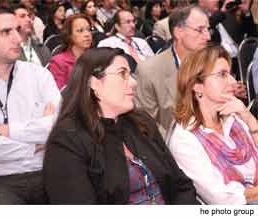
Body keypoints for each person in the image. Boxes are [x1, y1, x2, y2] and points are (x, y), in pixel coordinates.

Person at [43, 47, 199, 204]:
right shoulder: (66, 141)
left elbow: (181, 185)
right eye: (122, 74)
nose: (133, 82)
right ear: (95, 84)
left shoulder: (140, 122)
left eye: (130, 74)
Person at [0, 8, 61, 204]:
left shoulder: (39, 75)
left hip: (48, 174)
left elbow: (61, 126)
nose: (18, 38)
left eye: (17, 30)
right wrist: (35, 145)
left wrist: (7, 131)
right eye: (6, 32)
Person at [169, 45, 258, 204]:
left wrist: (249, 118)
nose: (232, 81)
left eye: (230, 74)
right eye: (222, 74)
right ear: (197, 86)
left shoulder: (233, 116)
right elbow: (222, 199)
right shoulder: (185, 139)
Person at [135, 5, 211, 138]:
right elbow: (147, 125)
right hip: (173, 148)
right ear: (178, 32)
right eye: (200, 30)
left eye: (207, 29)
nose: (208, 36)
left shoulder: (212, 63)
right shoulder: (149, 71)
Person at [47, 13, 92, 90]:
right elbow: (60, 95)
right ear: (69, 35)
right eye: (80, 31)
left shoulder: (95, 57)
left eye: (89, 30)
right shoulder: (58, 62)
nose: (87, 34)